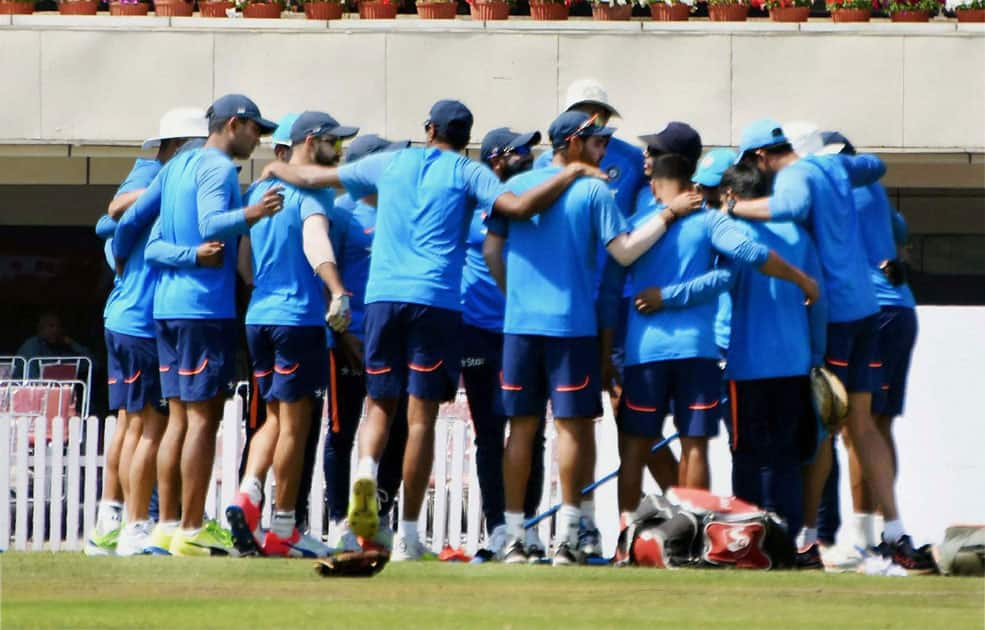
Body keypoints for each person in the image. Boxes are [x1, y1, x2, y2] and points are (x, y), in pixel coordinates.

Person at [263, 99, 607, 561]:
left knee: (379, 405)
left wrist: (273, 170)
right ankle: (406, 533)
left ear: (428, 129)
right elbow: (520, 207)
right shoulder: (468, 173)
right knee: (420, 417)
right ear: (467, 138)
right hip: (436, 301)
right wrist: (571, 174)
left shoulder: (390, 161)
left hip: (382, 299)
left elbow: (309, 178)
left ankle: (364, 474)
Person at [492, 111, 720, 566]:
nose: (605, 150)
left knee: (521, 428)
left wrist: (514, 295)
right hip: (572, 324)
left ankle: (515, 534)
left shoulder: (515, 184)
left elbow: (491, 249)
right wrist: (670, 213)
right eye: (597, 141)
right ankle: (570, 535)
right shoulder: (595, 189)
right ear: (573, 143)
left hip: (520, 325)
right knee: (571, 428)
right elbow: (626, 250)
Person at [728, 118, 933, 571]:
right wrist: (849, 163)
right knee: (863, 426)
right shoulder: (835, 169)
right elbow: (875, 165)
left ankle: (809, 538)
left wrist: (737, 210)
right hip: (866, 308)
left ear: (764, 156)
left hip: (838, 314)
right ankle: (894, 530)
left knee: (824, 428)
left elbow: (789, 206)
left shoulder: (798, 175)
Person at [601, 153, 818, 520]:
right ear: (691, 184)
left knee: (635, 447)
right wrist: (801, 279)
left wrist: (606, 350)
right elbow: (746, 258)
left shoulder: (636, 224)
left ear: (654, 184)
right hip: (697, 351)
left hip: (645, 352)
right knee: (694, 445)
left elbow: (609, 289)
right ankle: (691, 536)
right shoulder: (710, 221)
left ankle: (626, 537)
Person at [128, 94, 281, 556]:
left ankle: (167, 525)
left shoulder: (176, 166)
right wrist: (253, 213)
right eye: (256, 129)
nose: (259, 139)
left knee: (177, 419)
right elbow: (214, 222)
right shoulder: (215, 168)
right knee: (202, 419)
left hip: (167, 309)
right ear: (233, 124)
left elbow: (143, 232)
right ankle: (193, 528)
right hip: (202, 311)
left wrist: (137, 256)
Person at [226, 111, 356, 558]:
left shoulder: (259, 191)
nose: (337, 151)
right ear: (311, 142)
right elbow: (314, 241)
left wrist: (262, 285)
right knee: (296, 429)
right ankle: (284, 526)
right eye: (333, 143)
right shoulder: (307, 193)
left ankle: (246, 498)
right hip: (297, 320)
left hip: (258, 317)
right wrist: (336, 290)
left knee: (273, 420)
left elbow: (243, 262)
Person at [87, 109, 208, 557]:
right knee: (150, 428)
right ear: (181, 148)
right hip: (141, 322)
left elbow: (111, 224)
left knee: (131, 425)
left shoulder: (157, 185)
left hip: (122, 318)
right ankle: (138, 525)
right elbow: (114, 214)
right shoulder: (160, 180)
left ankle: (110, 521)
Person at [717, 162, 828, 549]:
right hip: (795, 362)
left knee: (747, 455)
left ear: (730, 197)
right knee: (786, 456)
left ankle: (749, 538)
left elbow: (721, 297)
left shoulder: (730, 231)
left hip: (745, 364)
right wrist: (815, 355)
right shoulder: (798, 234)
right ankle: (786, 537)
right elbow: (818, 301)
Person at [825, 130, 920, 556]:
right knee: (878, 426)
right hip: (900, 309)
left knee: (856, 428)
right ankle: (888, 532)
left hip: (870, 314)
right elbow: (899, 230)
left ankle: (864, 538)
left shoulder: (837, 189)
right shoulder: (875, 190)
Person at [321, 134, 410, 554]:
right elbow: (325, 278)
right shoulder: (341, 213)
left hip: (390, 338)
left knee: (398, 427)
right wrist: (343, 333)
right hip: (348, 340)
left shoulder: (399, 209)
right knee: (341, 431)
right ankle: (340, 518)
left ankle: (380, 515)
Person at [463, 127, 548, 563]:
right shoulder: (473, 199)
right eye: (521, 151)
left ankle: (526, 527)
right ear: (497, 159)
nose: (529, 156)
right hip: (479, 328)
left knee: (532, 431)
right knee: (490, 432)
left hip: (526, 328)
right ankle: (498, 525)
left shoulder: (531, 198)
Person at [16, 312, 95, 380]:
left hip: (56, 393)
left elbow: (93, 364)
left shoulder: (61, 349)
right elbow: (32, 377)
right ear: (41, 328)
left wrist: (72, 344)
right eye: (51, 326)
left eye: (58, 326)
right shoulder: (32, 345)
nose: (55, 330)